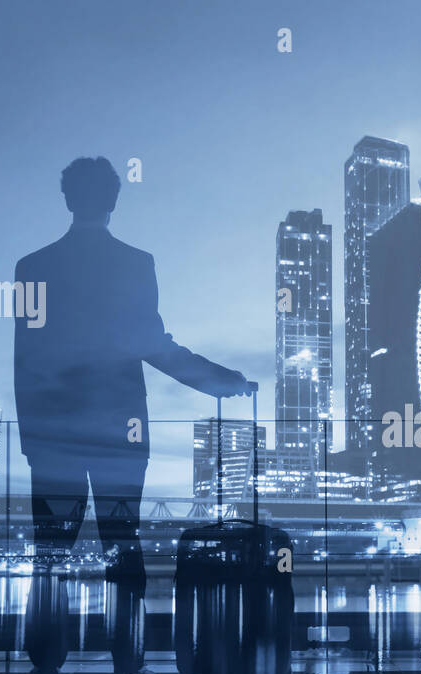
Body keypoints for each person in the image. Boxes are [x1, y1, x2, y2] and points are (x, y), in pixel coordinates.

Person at [14, 156, 253, 590]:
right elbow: (152, 345)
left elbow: (25, 359)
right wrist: (221, 381)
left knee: (50, 551)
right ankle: (128, 653)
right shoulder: (134, 264)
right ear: (113, 202)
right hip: (119, 432)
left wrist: (33, 438)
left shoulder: (33, 268)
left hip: (54, 435)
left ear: (67, 199)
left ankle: (44, 656)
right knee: (121, 542)